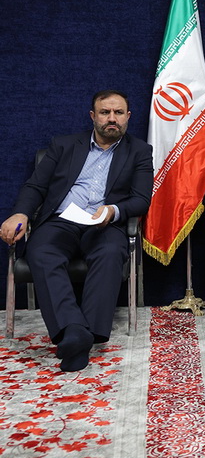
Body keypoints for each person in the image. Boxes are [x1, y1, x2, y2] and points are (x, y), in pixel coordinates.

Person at [0, 90, 153, 372]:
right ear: (93, 116)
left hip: (105, 222)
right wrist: (20, 213)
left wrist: (113, 211)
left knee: (110, 253)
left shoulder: (140, 151)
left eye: (118, 113)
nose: (112, 119)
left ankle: (85, 336)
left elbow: (141, 199)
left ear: (128, 117)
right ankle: (73, 329)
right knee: (41, 251)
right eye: (105, 112)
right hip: (62, 220)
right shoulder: (64, 145)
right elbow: (36, 186)